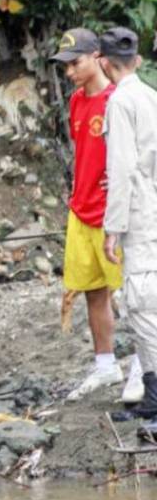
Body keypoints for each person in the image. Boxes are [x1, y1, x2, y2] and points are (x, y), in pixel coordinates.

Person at [49, 28, 125, 401]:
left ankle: (147, 365)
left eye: (75, 63)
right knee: (93, 290)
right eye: (65, 66)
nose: (69, 72)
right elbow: (82, 151)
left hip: (113, 212)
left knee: (134, 291)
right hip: (81, 209)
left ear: (98, 56)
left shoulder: (119, 99)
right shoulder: (77, 101)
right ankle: (105, 364)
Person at [98, 27, 157, 422]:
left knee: (141, 302)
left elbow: (120, 167)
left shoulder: (120, 102)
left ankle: (155, 397)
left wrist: (112, 227)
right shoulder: (150, 95)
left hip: (137, 209)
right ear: (136, 59)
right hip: (152, 200)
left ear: (103, 61)